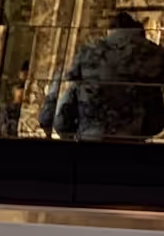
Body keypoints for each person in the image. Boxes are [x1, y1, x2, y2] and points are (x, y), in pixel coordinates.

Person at [40, 9, 164, 141]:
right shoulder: (156, 54)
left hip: (90, 137)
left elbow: (65, 103)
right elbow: (155, 121)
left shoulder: (88, 51)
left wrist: (63, 129)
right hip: (131, 140)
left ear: (110, 31)